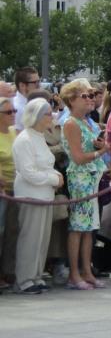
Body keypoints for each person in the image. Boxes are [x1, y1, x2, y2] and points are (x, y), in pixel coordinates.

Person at [60, 80, 109, 290]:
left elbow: (89, 149)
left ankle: (87, 272)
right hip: (80, 178)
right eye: (85, 96)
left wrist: (99, 146)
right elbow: (78, 158)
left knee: (90, 228)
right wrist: (102, 151)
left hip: (93, 177)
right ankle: (74, 274)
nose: (91, 99)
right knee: (78, 227)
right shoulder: (71, 123)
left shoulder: (87, 122)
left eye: (91, 95)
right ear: (72, 100)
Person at [12, 98, 64, 294]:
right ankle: (24, 280)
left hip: (45, 195)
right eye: (48, 114)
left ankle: (36, 275)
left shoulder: (39, 136)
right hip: (30, 195)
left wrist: (55, 176)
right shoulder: (24, 139)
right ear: (37, 116)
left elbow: (46, 164)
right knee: (30, 239)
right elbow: (28, 172)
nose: (52, 117)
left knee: (42, 239)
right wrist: (53, 179)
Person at [0, 96, 17, 289]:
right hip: (3, 190)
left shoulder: (13, 132)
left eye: (14, 111)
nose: (13, 114)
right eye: (8, 112)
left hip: (16, 189)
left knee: (12, 231)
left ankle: (8, 271)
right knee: (0, 231)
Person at [12, 66, 40, 131]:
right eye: (35, 82)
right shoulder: (16, 109)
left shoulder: (32, 102)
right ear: (22, 86)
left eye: (39, 81)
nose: (39, 85)